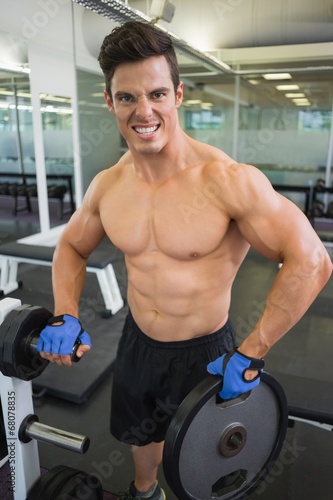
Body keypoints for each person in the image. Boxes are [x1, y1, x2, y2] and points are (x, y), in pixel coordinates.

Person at [37, 20, 332, 500]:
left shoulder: (226, 181)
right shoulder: (108, 185)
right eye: (128, 97)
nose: (144, 110)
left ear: (178, 95)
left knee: (205, 464)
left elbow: (312, 260)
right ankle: (144, 492)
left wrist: (254, 351)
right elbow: (71, 246)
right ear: (110, 102)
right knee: (141, 440)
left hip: (209, 355)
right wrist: (66, 312)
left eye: (156, 94)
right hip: (137, 342)